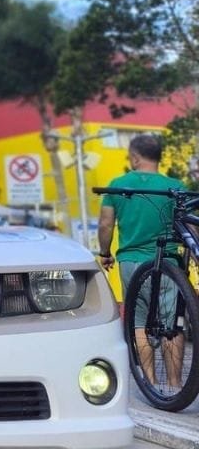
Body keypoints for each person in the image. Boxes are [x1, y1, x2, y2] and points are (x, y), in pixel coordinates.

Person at [97, 133, 185, 390]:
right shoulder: (175, 186)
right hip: (169, 262)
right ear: (159, 157)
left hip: (131, 263)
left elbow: (105, 224)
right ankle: (175, 385)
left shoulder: (117, 184)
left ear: (134, 157)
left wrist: (105, 252)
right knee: (172, 324)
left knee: (139, 322)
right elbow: (190, 226)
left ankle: (151, 383)